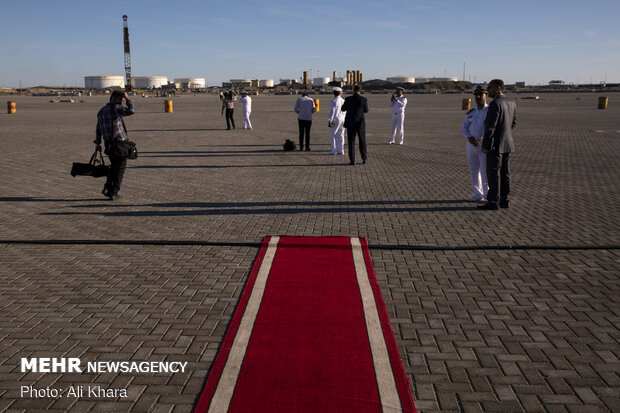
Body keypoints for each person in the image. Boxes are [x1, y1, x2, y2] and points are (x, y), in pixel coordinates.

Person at [479, 79, 517, 210]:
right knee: (505, 173)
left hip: (495, 145)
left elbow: (490, 127)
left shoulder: (495, 104)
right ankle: (504, 200)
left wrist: (485, 145)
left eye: (491, 87)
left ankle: (493, 201)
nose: (488, 90)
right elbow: (513, 123)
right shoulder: (511, 102)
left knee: (493, 173)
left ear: (499, 88)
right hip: (508, 143)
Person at [94, 90, 135, 200]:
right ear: (112, 98)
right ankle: (114, 192)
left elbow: (98, 129)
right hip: (119, 143)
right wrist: (127, 98)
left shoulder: (101, 111)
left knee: (114, 167)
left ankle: (108, 188)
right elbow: (131, 110)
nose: (121, 103)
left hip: (108, 144)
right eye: (119, 100)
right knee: (120, 168)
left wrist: (98, 143)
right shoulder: (116, 109)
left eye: (122, 100)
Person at [461, 85, 489, 202]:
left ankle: (488, 195)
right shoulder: (471, 112)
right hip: (471, 144)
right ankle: (478, 194)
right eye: (476, 95)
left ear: (486, 96)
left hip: (483, 144)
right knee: (474, 170)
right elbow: (464, 127)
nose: (478, 97)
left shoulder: (490, 111)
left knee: (485, 171)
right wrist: (469, 137)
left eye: (480, 94)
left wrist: (483, 138)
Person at [341, 85, 369, 165]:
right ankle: (364, 158)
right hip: (360, 122)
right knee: (362, 141)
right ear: (360, 90)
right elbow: (366, 110)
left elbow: (343, 109)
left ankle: (352, 160)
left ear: (353, 90)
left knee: (351, 142)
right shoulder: (363, 99)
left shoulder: (348, 99)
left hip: (351, 122)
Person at [328, 87, 345, 155]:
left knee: (333, 134)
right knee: (341, 134)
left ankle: (334, 150)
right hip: (342, 118)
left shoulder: (334, 101)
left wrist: (330, 120)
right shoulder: (343, 100)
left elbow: (332, 112)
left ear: (334, 93)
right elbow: (345, 111)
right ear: (340, 93)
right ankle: (341, 150)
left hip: (336, 118)